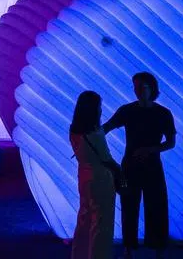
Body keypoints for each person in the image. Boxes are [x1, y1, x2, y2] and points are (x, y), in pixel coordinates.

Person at [102, 71, 176, 258]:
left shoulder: (163, 113)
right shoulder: (127, 110)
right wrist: (90, 139)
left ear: (152, 88)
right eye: (135, 87)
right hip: (130, 167)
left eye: (141, 87)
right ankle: (128, 248)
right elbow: (107, 127)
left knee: (157, 206)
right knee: (129, 205)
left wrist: (150, 150)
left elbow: (171, 142)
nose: (137, 91)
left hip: (152, 167)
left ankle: (157, 248)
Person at [69, 90, 124, 259]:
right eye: (99, 106)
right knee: (102, 224)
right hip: (101, 179)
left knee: (84, 219)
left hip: (84, 177)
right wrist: (122, 173)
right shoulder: (95, 133)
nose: (101, 109)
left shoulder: (75, 129)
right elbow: (107, 159)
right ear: (93, 109)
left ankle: (79, 255)